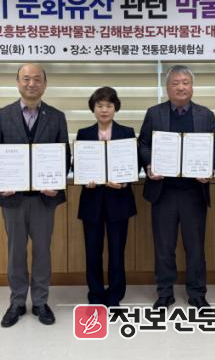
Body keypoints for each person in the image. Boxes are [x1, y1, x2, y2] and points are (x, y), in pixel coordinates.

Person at [0, 63, 71, 328]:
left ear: (44, 84)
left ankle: (41, 301)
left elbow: (64, 155)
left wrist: (57, 183)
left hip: (44, 198)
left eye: (36, 79)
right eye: (26, 79)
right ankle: (17, 302)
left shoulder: (56, 116)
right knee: (16, 252)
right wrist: (2, 181)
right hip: (13, 198)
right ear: (18, 83)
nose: (31, 83)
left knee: (43, 251)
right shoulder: (2, 115)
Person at [138, 64, 215, 309]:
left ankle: (197, 292)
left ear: (192, 87)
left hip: (193, 192)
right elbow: (143, 144)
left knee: (195, 247)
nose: (181, 87)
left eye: (185, 82)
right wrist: (149, 164)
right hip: (163, 191)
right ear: (167, 87)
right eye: (175, 83)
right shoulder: (154, 113)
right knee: (164, 247)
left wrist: (209, 168)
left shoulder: (206, 115)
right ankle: (165, 292)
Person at [76, 87, 137, 307]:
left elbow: (135, 164)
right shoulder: (84, 134)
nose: (104, 110)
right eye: (99, 105)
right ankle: (95, 293)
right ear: (93, 108)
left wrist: (124, 181)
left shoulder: (127, 132)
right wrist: (85, 180)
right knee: (92, 251)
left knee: (117, 251)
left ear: (115, 108)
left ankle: (115, 294)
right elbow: (78, 165)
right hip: (92, 200)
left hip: (118, 200)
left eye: (108, 105)